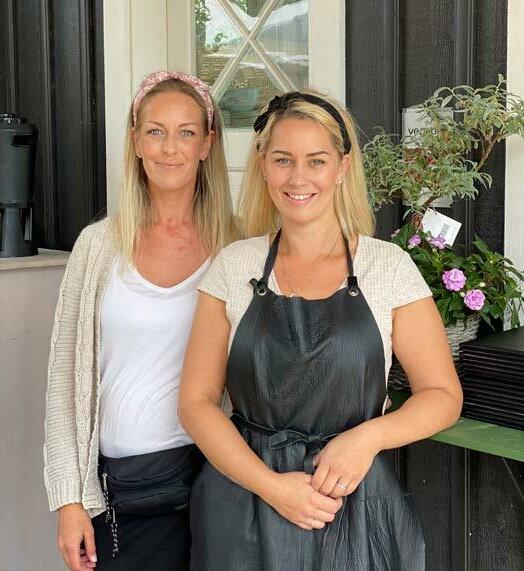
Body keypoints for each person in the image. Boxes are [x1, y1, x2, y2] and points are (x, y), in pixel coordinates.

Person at [179, 90, 463, 570]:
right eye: (283, 159)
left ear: (342, 167)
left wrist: (367, 438)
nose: (298, 178)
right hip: (242, 502)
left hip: (352, 502)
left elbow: (442, 396)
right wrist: (272, 486)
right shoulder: (234, 265)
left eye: (316, 161)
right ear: (263, 166)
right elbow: (195, 402)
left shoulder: (387, 267)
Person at [43, 70, 235, 571]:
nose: (169, 148)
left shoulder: (238, 248)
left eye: (186, 132)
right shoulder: (97, 246)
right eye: (155, 131)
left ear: (207, 144)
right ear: (135, 140)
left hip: (214, 480)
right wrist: (69, 500)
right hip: (122, 489)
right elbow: (64, 381)